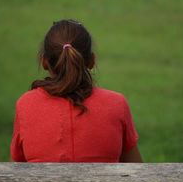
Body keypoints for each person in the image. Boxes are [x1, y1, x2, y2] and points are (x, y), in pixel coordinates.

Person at [11, 19, 143, 163]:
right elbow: (136, 171)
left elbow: (17, 171)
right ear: (91, 61)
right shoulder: (116, 104)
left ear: (44, 62)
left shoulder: (26, 104)